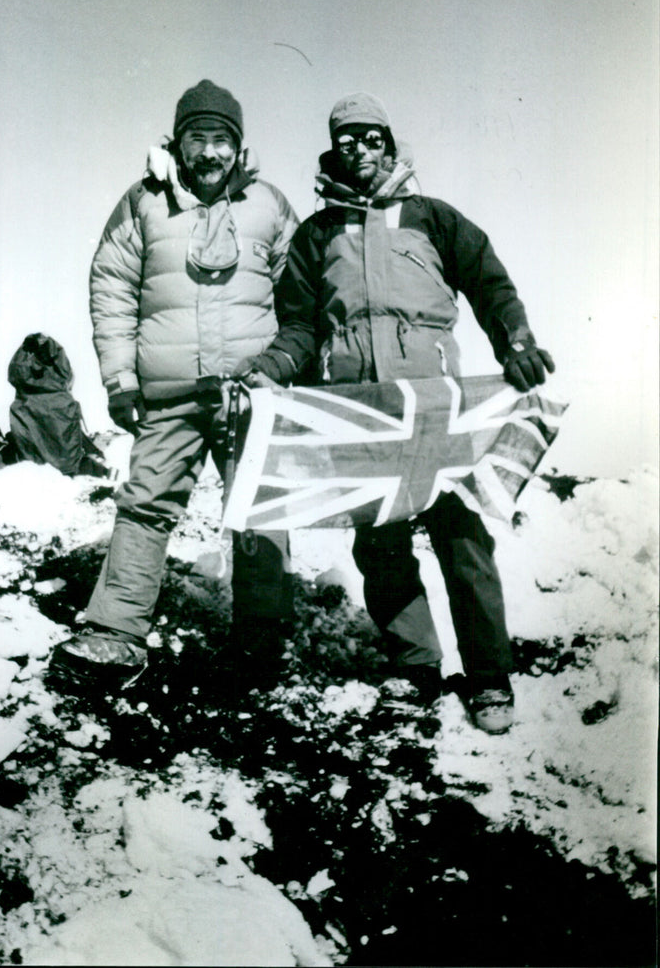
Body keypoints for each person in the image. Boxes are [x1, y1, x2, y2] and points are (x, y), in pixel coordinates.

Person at [240, 92, 555, 733]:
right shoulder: (317, 234)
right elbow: (299, 326)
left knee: (462, 540)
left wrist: (515, 344)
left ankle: (489, 679)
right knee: (381, 548)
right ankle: (415, 671)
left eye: (370, 137)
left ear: (388, 141)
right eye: (346, 140)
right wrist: (269, 370)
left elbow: (490, 285)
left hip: (437, 410)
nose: (360, 149)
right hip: (364, 413)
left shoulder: (434, 218)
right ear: (335, 151)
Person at [52, 79, 299, 687]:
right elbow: (110, 289)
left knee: (261, 510)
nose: (210, 153)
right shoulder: (142, 203)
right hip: (168, 395)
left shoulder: (269, 205)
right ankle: (114, 633)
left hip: (252, 392)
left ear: (237, 148)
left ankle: (261, 644)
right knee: (145, 505)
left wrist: (287, 368)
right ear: (178, 143)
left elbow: (301, 295)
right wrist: (120, 379)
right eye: (198, 138)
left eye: (221, 140)